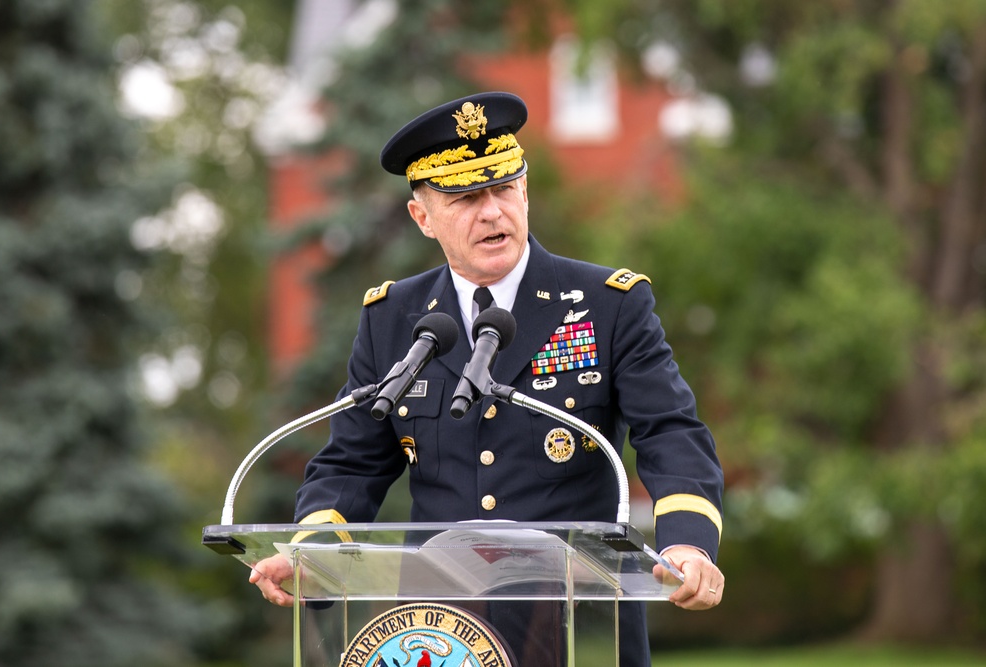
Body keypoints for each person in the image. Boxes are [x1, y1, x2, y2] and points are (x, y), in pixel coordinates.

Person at [250, 91, 725, 665]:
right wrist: (311, 556)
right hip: (437, 634)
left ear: (525, 191)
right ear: (422, 216)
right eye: (466, 197)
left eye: (503, 188)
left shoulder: (607, 305)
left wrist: (687, 546)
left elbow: (669, 432)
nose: (493, 212)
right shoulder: (392, 318)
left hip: (579, 624)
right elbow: (352, 463)